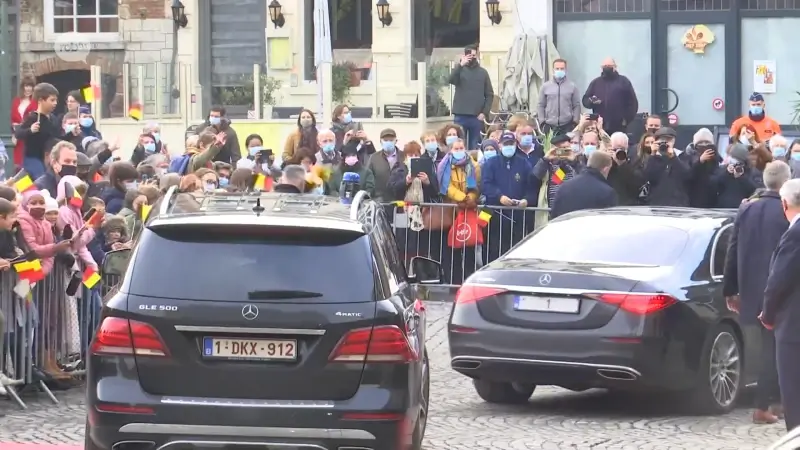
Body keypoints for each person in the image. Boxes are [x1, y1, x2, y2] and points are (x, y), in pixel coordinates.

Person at [723, 160, 790, 424]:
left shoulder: (746, 208)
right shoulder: (786, 210)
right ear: (786, 182)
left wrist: (731, 289)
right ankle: (766, 405)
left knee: (769, 347)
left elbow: (732, 248)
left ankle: (776, 402)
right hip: (782, 289)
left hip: (752, 288)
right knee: (778, 348)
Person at [762, 178, 800, 432]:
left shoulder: (796, 234)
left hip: (794, 326)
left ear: (784, 203)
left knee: (793, 391)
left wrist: (768, 312)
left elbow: (780, 279)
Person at [480, 131, 537, 262]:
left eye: (511, 143)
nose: (508, 146)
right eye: (506, 144)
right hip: (494, 214)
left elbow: (531, 187)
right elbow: (485, 185)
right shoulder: (491, 163)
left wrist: (526, 200)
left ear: (516, 145)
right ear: (499, 145)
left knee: (515, 250)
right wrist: (499, 196)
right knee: (492, 250)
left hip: (516, 216)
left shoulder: (523, 164)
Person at [437, 137, 481, 284]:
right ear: (450, 150)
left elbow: (477, 186)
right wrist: (461, 197)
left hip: (469, 210)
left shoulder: (473, 165)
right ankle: (453, 282)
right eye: (456, 149)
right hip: (452, 211)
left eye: (461, 148)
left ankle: (469, 281)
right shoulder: (445, 166)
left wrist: (471, 197)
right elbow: (446, 186)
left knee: (469, 249)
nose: (459, 151)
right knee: (452, 250)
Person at [449, 44, 494, 150]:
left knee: (475, 146)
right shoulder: (459, 70)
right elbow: (451, 80)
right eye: (470, 55)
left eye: (474, 55)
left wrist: (484, 112)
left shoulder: (483, 73)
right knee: (459, 145)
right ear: (465, 55)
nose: (472, 58)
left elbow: (489, 94)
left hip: (476, 116)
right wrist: (460, 65)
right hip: (460, 115)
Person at [550, 150, 617, 219]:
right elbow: (555, 181)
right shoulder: (554, 165)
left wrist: (574, 163)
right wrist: (545, 161)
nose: (563, 153)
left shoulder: (578, 163)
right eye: (562, 149)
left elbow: (585, 172)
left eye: (566, 149)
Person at [14, 82, 60, 179]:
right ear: (41, 100)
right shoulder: (33, 117)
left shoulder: (54, 119)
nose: (55, 103)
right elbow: (18, 133)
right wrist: (30, 130)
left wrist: (71, 133)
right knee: (40, 179)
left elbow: (57, 137)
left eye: (56, 100)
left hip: (48, 158)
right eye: (52, 100)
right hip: (33, 158)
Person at [581, 58, 638, 135]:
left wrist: (626, 120)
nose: (607, 68)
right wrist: (591, 101)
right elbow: (585, 100)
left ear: (615, 67)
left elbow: (633, 103)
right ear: (601, 68)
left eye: (609, 66)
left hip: (619, 126)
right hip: (600, 125)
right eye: (605, 66)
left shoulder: (623, 81)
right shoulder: (596, 83)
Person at [643, 127, 691, 206]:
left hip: (678, 204)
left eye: (668, 140)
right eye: (662, 140)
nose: (665, 143)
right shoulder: (653, 158)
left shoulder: (682, 156)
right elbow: (648, 177)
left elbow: (686, 175)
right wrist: (653, 155)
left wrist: (673, 157)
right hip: (657, 204)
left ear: (673, 141)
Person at [537, 58, 581, 136]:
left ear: (566, 70)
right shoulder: (545, 86)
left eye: (562, 68)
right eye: (557, 68)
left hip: (567, 125)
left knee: (566, 148)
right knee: (550, 148)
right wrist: (542, 122)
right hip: (549, 125)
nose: (559, 70)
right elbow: (541, 105)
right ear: (553, 69)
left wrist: (575, 122)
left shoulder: (572, 86)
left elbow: (576, 105)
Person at [712, 144, 758, 208]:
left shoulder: (750, 171)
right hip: (722, 208)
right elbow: (715, 184)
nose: (734, 162)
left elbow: (753, 189)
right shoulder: (723, 169)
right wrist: (727, 173)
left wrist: (741, 177)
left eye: (737, 160)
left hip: (740, 208)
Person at [605, 132, 645, 205]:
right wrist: (608, 160)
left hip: (626, 205)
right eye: (616, 149)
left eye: (622, 149)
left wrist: (622, 164)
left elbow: (637, 185)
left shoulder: (634, 162)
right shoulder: (605, 164)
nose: (619, 151)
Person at [367, 128, 404, 202]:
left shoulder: (403, 156)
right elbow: (368, 177)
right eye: (385, 140)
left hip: (400, 201)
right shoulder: (374, 158)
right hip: (380, 200)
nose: (388, 142)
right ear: (380, 141)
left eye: (391, 140)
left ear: (396, 141)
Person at [11, 76, 38, 168]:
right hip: (15, 137)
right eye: (26, 86)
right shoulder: (16, 101)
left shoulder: (35, 102)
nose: (28, 89)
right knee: (15, 165)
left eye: (31, 86)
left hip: (28, 136)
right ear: (23, 87)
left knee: (25, 165)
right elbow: (10, 117)